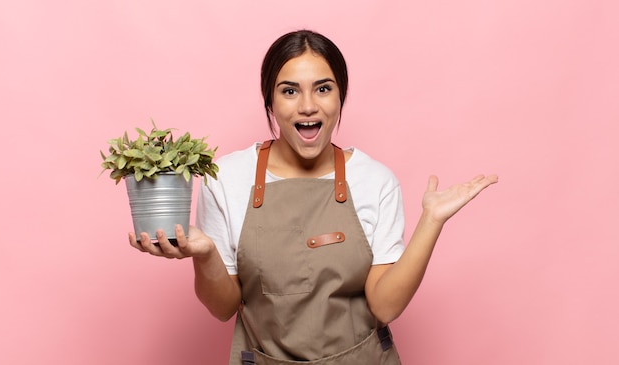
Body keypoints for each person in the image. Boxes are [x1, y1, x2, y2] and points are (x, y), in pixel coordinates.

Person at [130, 29, 498, 364]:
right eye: (289, 91)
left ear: (341, 96)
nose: (308, 105)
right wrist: (206, 255)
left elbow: (385, 306)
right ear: (270, 102)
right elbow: (223, 307)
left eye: (323, 88)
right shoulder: (227, 179)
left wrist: (431, 222)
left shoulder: (374, 180)